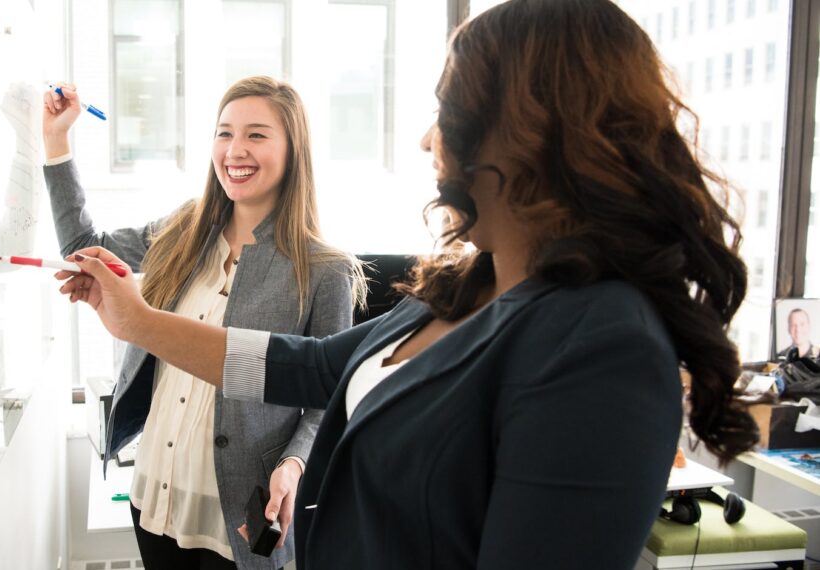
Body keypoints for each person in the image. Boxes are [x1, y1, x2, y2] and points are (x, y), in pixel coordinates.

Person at [54, 1, 760, 568]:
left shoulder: (601, 343)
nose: (428, 141)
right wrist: (138, 322)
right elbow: (315, 367)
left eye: (445, 109)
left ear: (526, 131)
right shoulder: (462, 288)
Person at [42, 76, 364, 569]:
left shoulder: (324, 269)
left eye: (256, 134)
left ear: (293, 148)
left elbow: (327, 396)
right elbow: (83, 246)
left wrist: (295, 463)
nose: (235, 150)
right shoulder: (184, 230)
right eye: (224, 133)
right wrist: (57, 140)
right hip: (155, 491)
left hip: (240, 509)